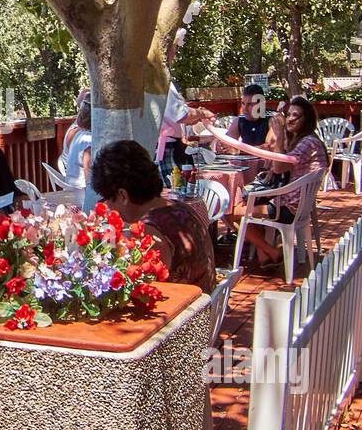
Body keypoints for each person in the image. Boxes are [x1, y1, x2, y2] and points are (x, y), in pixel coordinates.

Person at [90, 139, 216, 295]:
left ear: (123, 195)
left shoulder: (149, 233)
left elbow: (132, 293)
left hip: (184, 314)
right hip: (203, 309)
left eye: (107, 198)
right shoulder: (182, 208)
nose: (107, 206)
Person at [238, 96, 329, 274]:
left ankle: (272, 252)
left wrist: (279, 135)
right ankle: (265, 256)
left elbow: (279, 167)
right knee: (241, 207)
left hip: (288, 208)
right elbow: (276, 164)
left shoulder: (307, 143)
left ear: (307, 120)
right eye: (288, 115)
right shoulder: (307, 141)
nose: (290, 119)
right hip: (299, 205)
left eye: (296, 116)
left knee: (232, 212)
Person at [61, 94, 93, 186]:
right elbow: (89, 180)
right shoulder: (88, 140)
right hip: (79, 192)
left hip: (72, 187)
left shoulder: (79, 134)